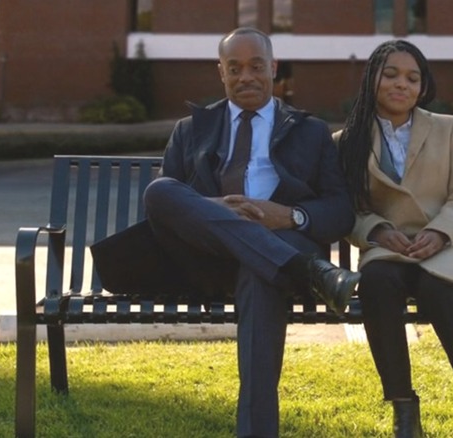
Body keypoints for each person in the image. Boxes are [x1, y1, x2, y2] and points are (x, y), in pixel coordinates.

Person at [142, 27, 359, 438]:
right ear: (220, 72)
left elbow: (340, 209)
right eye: (235, 68)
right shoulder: (190, 129)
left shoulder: (310, 131)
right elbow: (165, 210)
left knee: (260, 273)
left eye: (256, 66)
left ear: (273, 68)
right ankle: (309, 271)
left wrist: (290, 216)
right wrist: (215, 209)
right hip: (207, 261)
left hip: (273, 257)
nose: (246, 77)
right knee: (160, 190)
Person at [335, 40, 453, 438]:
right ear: (372, 79)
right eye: (391, 75)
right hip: (390, 247)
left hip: (448, 242)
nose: (402, 84)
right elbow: (349, 208)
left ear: (422, 86)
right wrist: (378, 230)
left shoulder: (448, 128)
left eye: (412, 78)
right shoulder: (348, 140)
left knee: (441, 289)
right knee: (376, 284)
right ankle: (404, 410)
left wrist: (439, 232)